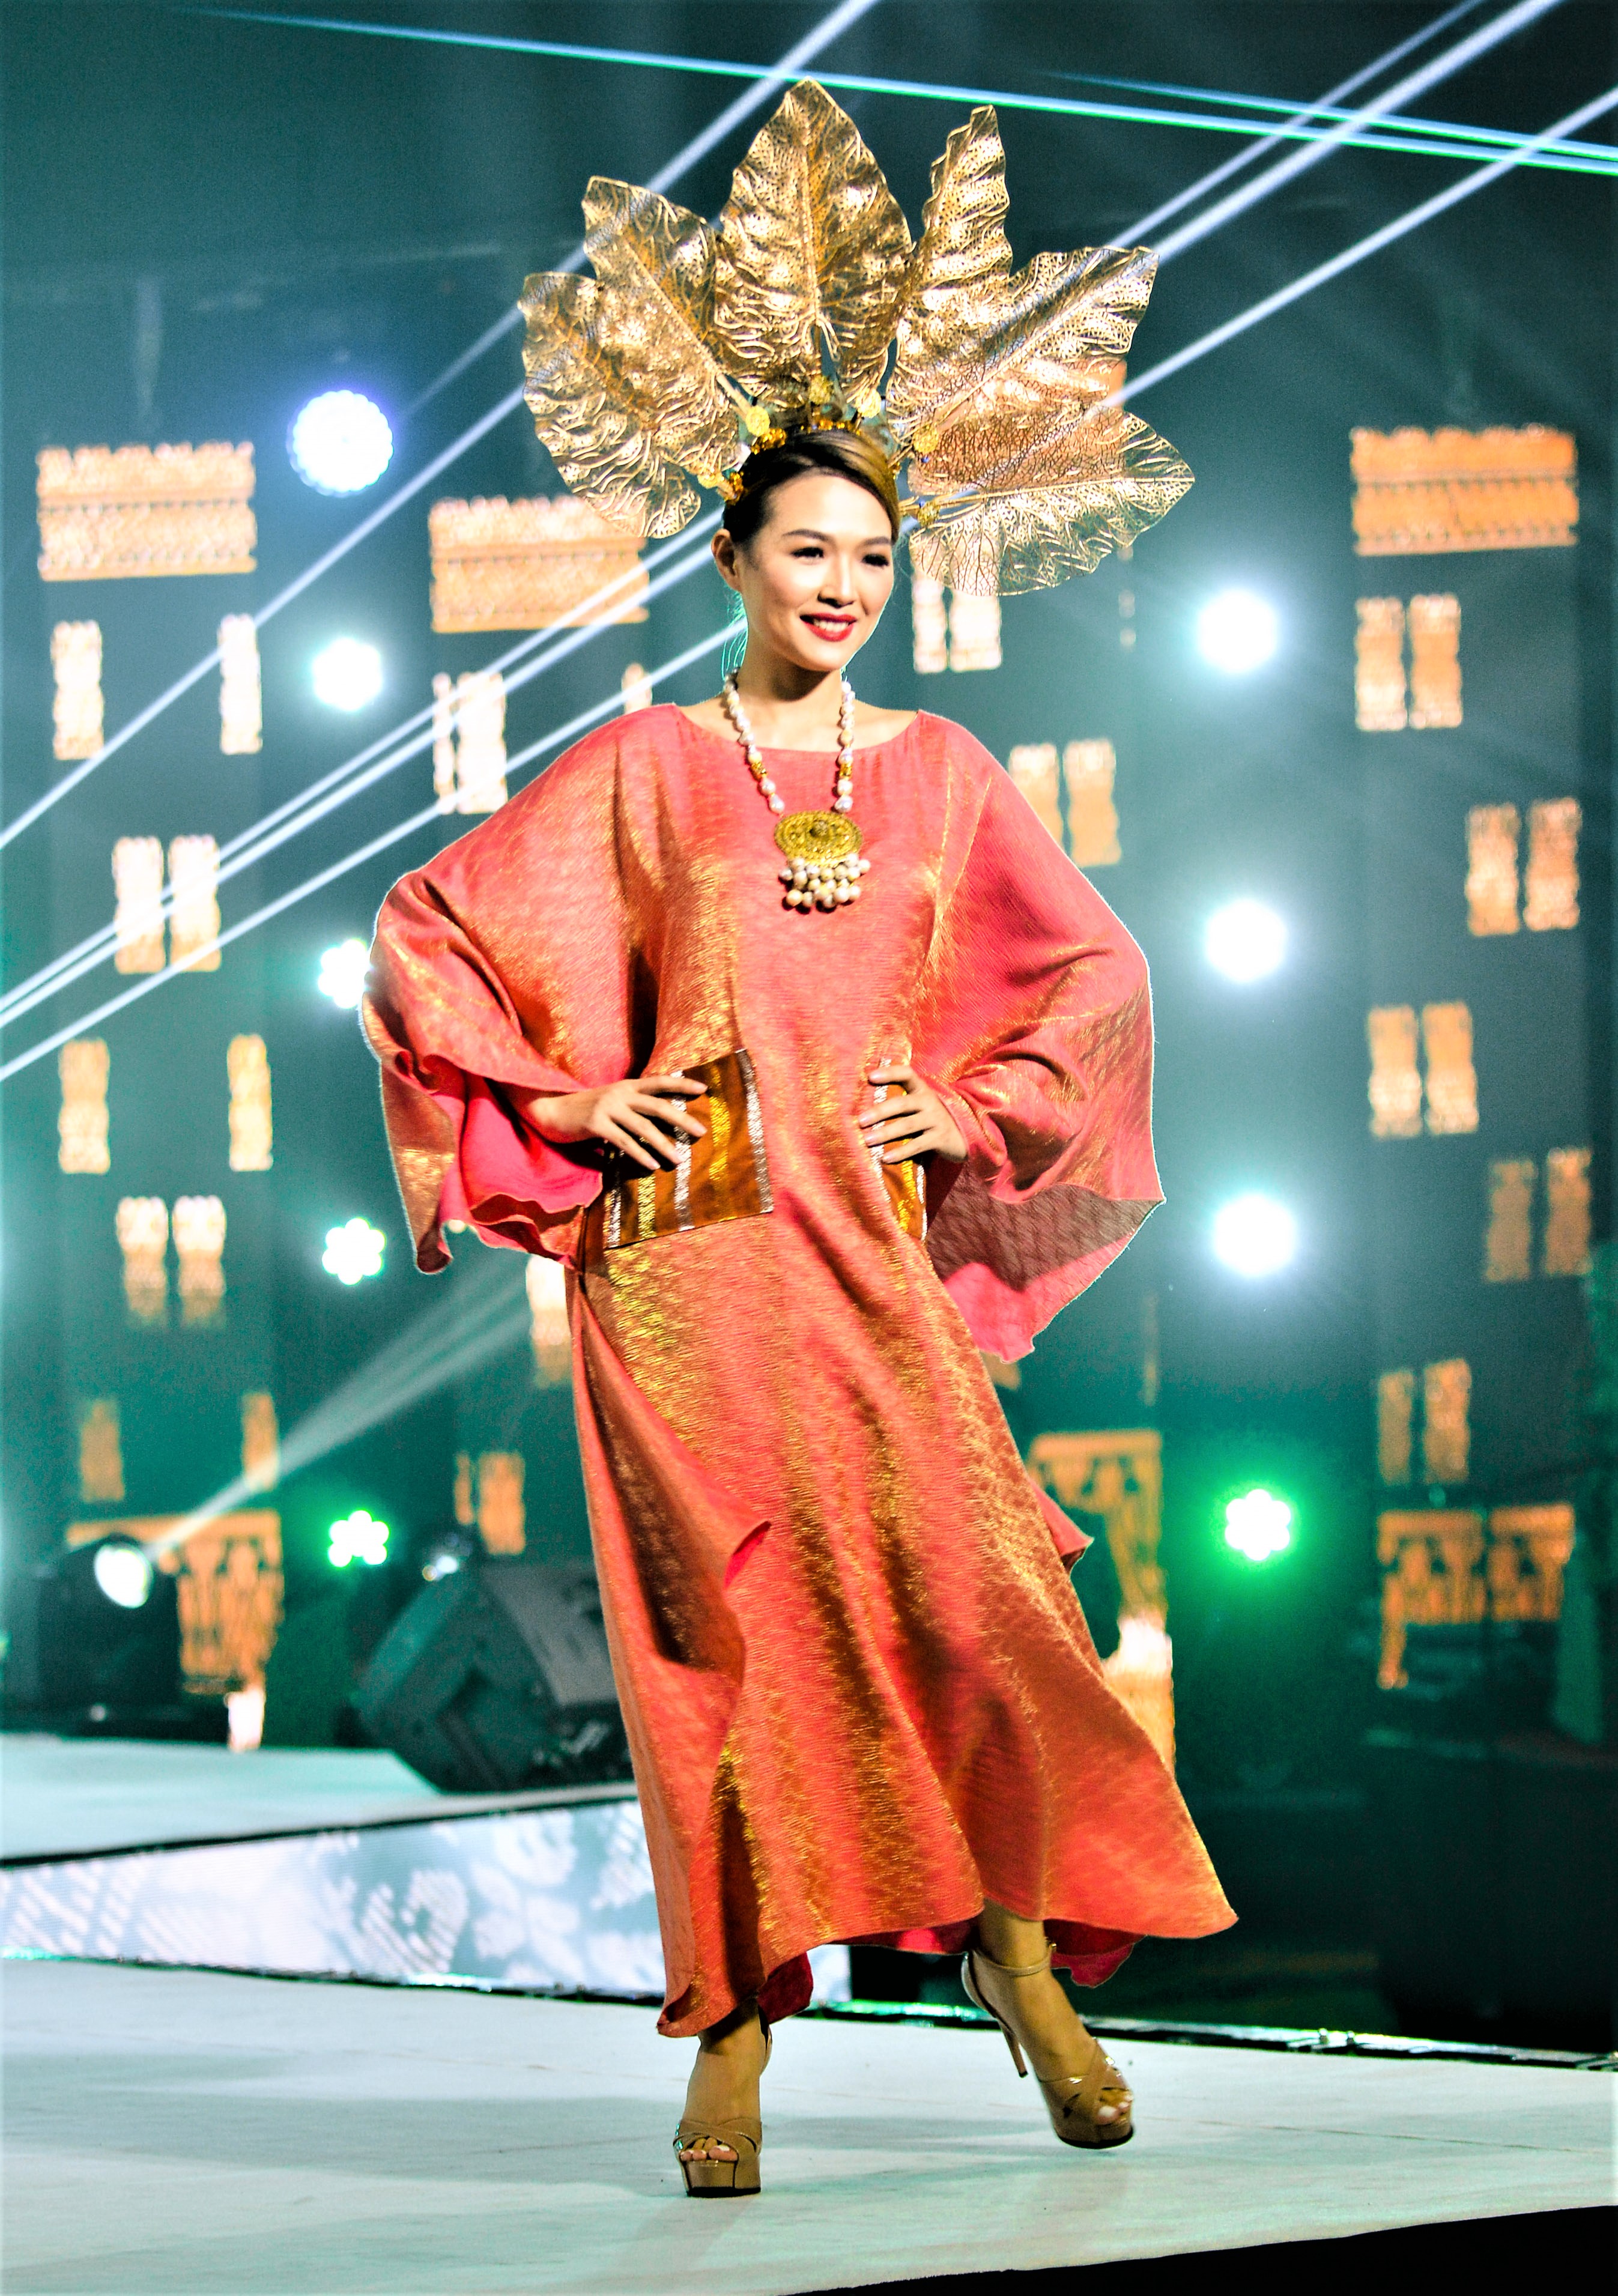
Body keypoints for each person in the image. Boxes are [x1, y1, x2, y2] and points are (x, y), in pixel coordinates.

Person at [364, 84, 1232, 2199]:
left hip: (871, 1249)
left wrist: (983, 1103)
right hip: (686, 1267)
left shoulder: (940, 770)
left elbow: (1097, 978)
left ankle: (1017, 1959)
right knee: (716, 1659)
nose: (842, 585)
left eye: (871, 558)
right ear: (731, 561)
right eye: (806, 552)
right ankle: (736, 2029)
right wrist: (573, 1102)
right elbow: (429, 936)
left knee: (977, 1614)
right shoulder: (650, 765)